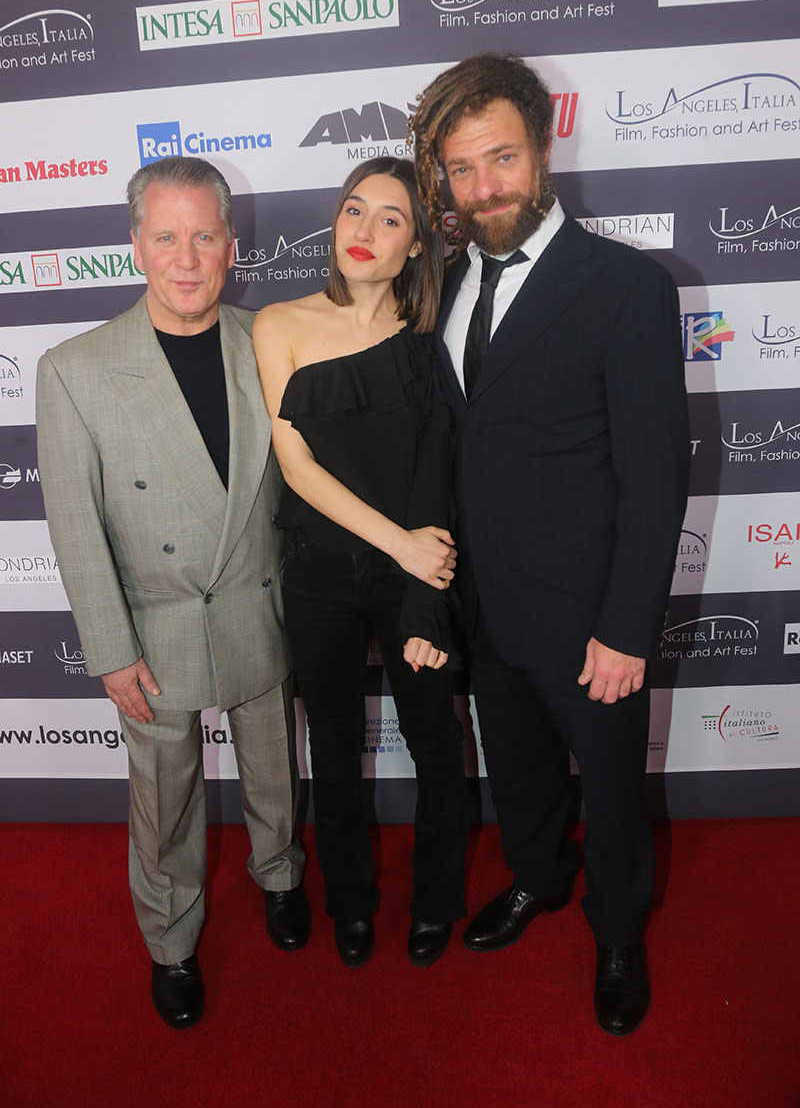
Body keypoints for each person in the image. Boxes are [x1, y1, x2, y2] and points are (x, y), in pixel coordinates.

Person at [410, 53, 690, 1034]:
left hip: (587, 614)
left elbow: (655, 478)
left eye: (502, 158)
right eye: (461, 167)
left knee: (609, 787)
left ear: (543, 147)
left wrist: (625, 629)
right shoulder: (445, 283)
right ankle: (538, 875)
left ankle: (617, 930)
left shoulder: (625, 286)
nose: (483, 186)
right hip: (485, 607)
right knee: (518, 769)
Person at [36, 156, 309, 1030]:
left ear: (232, 244)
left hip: (261, 604)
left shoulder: (271, 340)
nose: (186, 259)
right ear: (135, 246)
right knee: (165, 799)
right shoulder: (74, 368)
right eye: (166, 237)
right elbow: (75, 527)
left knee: (275, 768)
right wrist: (110, 651)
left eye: (203, 236)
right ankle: (171, 940)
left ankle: (280, 876)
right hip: (155, 629)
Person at [253, 157, 467, 970]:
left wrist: (422, 592)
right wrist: (400, 542)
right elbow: (297, 467)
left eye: (390, 218)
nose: (365, 231)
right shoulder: (278, 324)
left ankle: (436, 900)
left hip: (411, 573)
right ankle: (348, 902)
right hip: (318, 568)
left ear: (415, 244)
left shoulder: (427, 339)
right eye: (353, 209)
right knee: (335, 745)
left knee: (434, 739)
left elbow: (435, 472)